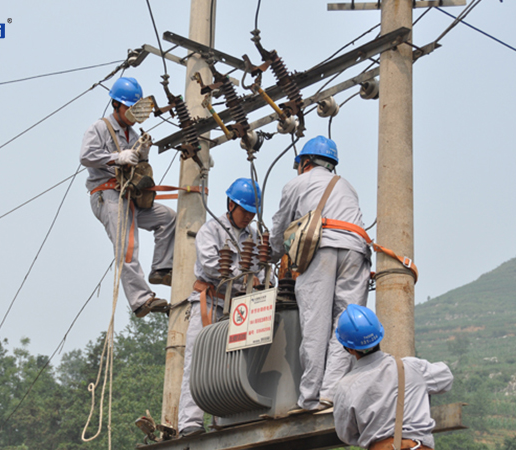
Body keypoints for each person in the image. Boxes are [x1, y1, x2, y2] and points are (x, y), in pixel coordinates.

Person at [270, 135, 372, 412]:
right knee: (345, 323)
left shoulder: (297, 183)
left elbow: (280, 229)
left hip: (322, 249)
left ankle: (310, 398)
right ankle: (331, 393)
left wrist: (270, 256)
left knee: (315, 324)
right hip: (356, 250)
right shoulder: (347, 186)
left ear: (304, 162)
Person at [178, 178, 268, 437]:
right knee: (198, 361)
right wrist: (244, 274)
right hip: (211, 302)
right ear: (231, 204)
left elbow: (260, 270)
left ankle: (224, 420)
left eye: (253, 212)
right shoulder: (211, 230)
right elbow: (210, 265)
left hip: (239, 307)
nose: (249, 217)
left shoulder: (253, 235)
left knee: (232, 364)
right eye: (245, 211)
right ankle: (190, 422)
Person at [80, 77, 175, 318]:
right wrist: (115, 157)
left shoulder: (132, 133)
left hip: (129, 196)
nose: (132, 114)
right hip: (107, 194)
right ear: (116, 104)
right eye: (128, 108)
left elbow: (137, 169)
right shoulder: (100, 127)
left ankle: (161, 268)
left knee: (167, 217)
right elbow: (86, 156)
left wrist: (141, 154)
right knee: (127, 245)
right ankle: (141, 300)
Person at [332, 305, 454, 450]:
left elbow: (347, 435)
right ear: (380, 334)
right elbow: (446, 378)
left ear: (349, 348)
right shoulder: (411, 367)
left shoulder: (345, 387)